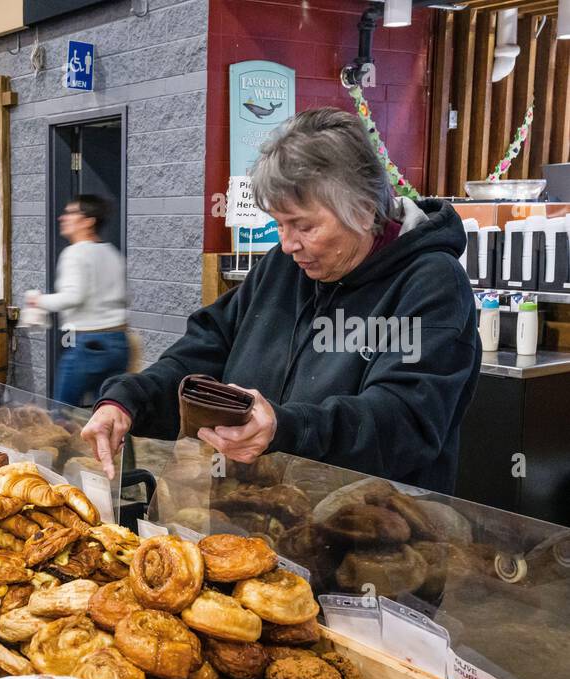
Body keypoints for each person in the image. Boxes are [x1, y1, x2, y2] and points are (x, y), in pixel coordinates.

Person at [83, 107, 480, 494]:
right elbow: (206, 350)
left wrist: (285, 428)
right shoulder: (284, 267)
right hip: (258, 516)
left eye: (304, 226)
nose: (287, 244)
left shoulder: (431, 283)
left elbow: (403, 422)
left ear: (361, 210)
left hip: (378, 534)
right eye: (279, 224)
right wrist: (128, 400)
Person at [26, 195, 129, 408]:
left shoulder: (74, 253)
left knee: (61, 412)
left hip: (87, 343)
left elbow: (73, 297)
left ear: (88, 221)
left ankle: (57, 441)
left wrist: (38, 301)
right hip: (118, 342)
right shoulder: (112, 253)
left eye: (71, 213)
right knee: (110, 413)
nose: (63, 218)